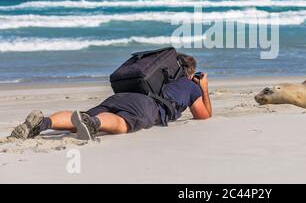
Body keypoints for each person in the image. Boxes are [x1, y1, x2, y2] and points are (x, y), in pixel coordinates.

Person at [9, 54, 212, 140]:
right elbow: (204, 115)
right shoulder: (189, 85)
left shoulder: (160, 78)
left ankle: (42, 123)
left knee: (79, 116)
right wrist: (203, 87)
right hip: (147, 105)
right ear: (190, 73)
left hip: (124, 95)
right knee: (124, 123)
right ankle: (94, 123)